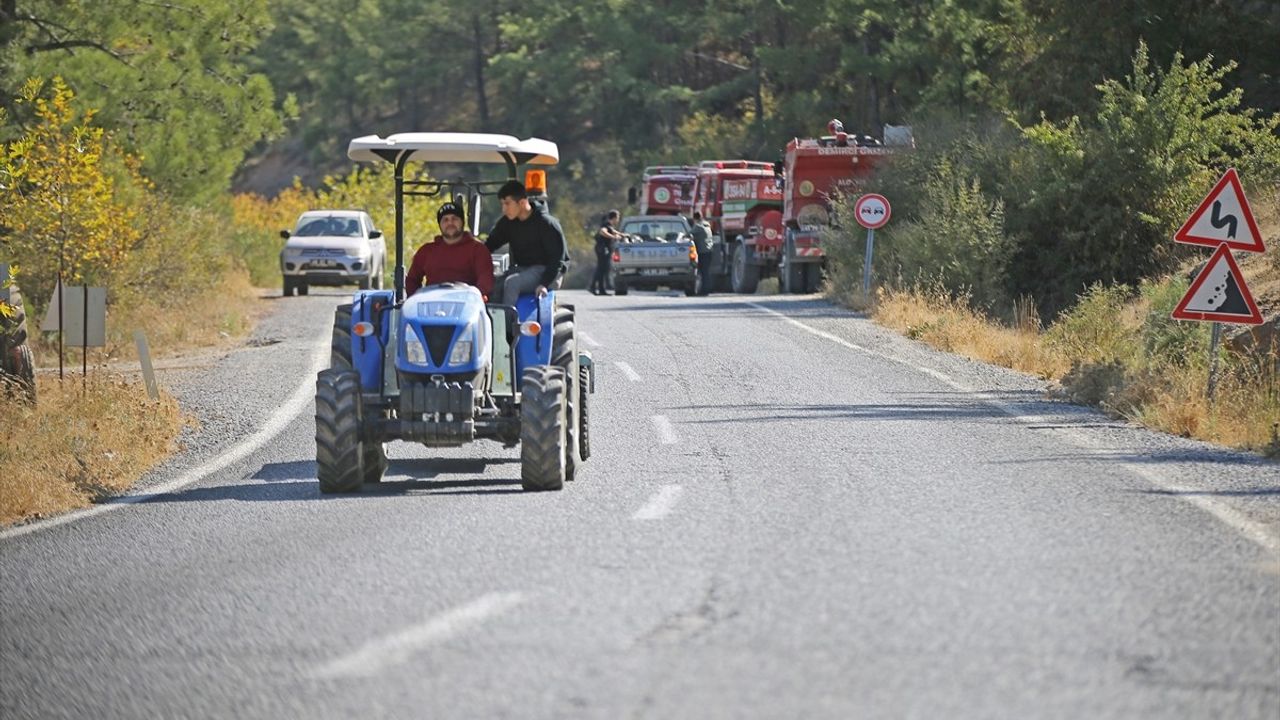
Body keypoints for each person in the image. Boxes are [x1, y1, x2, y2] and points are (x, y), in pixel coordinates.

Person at [484, 180, 569, 306]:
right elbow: (490, 244)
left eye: (507, 204)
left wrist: (544, 283)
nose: (504, 209)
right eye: (502, 204)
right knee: (494, 283)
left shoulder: (546, 223)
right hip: (523, 269)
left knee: (513, 283)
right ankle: (491, 321)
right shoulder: (508, 223)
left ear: (523, 202)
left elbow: (557, 259)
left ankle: (508, 322)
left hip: (548, 271)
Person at [405, 202, 494, 298]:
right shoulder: (426, 251)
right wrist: (417, 299)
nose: (450, 223)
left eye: (454, 219)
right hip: (432, 305)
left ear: (462, 222)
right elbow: (412, 280)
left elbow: (486, 280)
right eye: (445, 220)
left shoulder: (478, 250)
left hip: (467, 305)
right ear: (440, 224)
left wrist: (476, 296)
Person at [591, 210, 624, 295]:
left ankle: (598, 289)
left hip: (603, 250)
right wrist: (613, 237)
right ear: (614, 218)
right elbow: (603, 231)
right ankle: (593, 287)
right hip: (603, 250)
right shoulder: (606, 225)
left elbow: (613, 231)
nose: (618, 220)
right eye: (617, 218)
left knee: (602, 269)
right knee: (601, 269)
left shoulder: (609, 226)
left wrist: (623, 235)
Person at [690, 211, 714, 293]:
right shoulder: (707, 226)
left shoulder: (698, 226)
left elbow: (689, 234)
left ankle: (704, 290)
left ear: (695, 218)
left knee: (703, 272)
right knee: (706, 272)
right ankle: (707, 289)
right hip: (709, 251)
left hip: (702, 252)